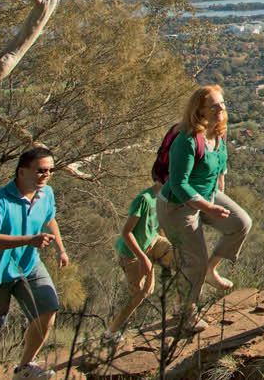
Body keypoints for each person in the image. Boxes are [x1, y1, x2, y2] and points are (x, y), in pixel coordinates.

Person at [157, 85, 252, 333]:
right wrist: (208, 207)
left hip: (208, 195)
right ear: (199, 111)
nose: (221, 109)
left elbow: (220, 165)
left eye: (223, 104)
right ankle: (186, 314)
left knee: (241, 223)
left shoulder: (218, 133)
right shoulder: (187, 140)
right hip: (177, 206)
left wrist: (220, 188)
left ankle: (211, 269)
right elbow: (178, 184)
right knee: (194, 262)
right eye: (214, 106)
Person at [0, 146, 68, 380]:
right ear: (22, 172)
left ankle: (24, 369)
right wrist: (29, 240)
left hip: (28, 266)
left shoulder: (46, 193)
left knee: (48, 308)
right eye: (41, 170)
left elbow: (50, 218)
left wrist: (61, 249)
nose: (47, 175)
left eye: (50, 170)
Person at [102, 182, 173, 346]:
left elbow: (158, 224)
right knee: (142, 293)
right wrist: (144, 258)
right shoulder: (144, 199)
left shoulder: (165, 197)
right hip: (132, 254)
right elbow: (126, 232)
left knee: (182, 255)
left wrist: (164, 247)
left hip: (152, 242)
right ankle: (110, 333)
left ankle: (182, 307)